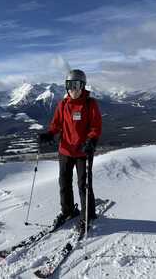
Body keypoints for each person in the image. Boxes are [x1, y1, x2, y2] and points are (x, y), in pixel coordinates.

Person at [39, 69, 102, 235]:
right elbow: (56, 124)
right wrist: (50, 133)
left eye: (76, 85)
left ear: (82, 86)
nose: (73, 89)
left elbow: (95, 126)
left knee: (84, 185)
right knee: (64, 183)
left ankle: (88, 215)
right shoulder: (63, 104)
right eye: (70, 85)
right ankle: (68, 211)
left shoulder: (90, 103)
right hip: (65, 150)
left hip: (83, 152)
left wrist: (91, 140)